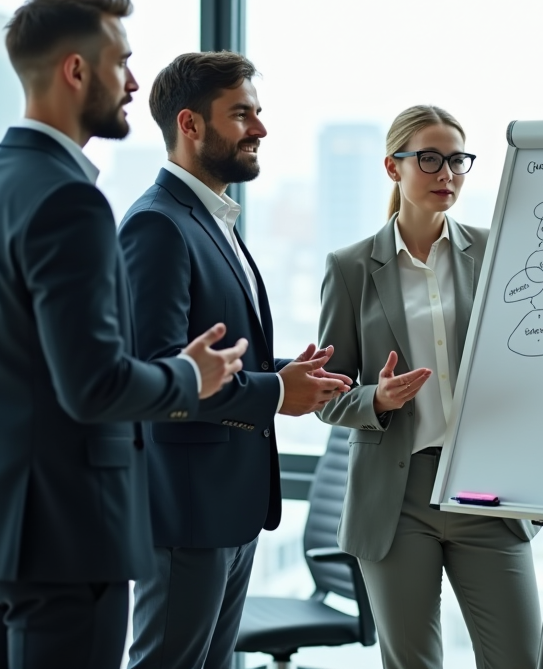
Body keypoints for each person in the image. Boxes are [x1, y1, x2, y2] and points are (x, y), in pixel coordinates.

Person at [0, 0, 255, 668]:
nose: (135, 83)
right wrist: (189, 377)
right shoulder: (70, 198)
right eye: (123, 63)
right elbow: (94, 384)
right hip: (63, 534)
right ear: (76, 71)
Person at [120, 51, 351, 669]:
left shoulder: (214, 220)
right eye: (242, 114)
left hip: (231, 507)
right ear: (191, 125)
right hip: (187, 511)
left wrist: (284, 375)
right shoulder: (157, 226)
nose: (260, 129)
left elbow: (216, 358)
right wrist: (276, 395)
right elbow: (159, 376)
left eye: (258, 112)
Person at [318, 105, 542, 669]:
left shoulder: (494, 253)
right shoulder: (350, 268)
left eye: (457, 160)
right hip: (398, 499)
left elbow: (530, 349)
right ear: (394, 168)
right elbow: (325, 394)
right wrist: (376, 398)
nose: (448, 173)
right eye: (430, 159)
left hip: (484, 492)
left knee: (518, 658)